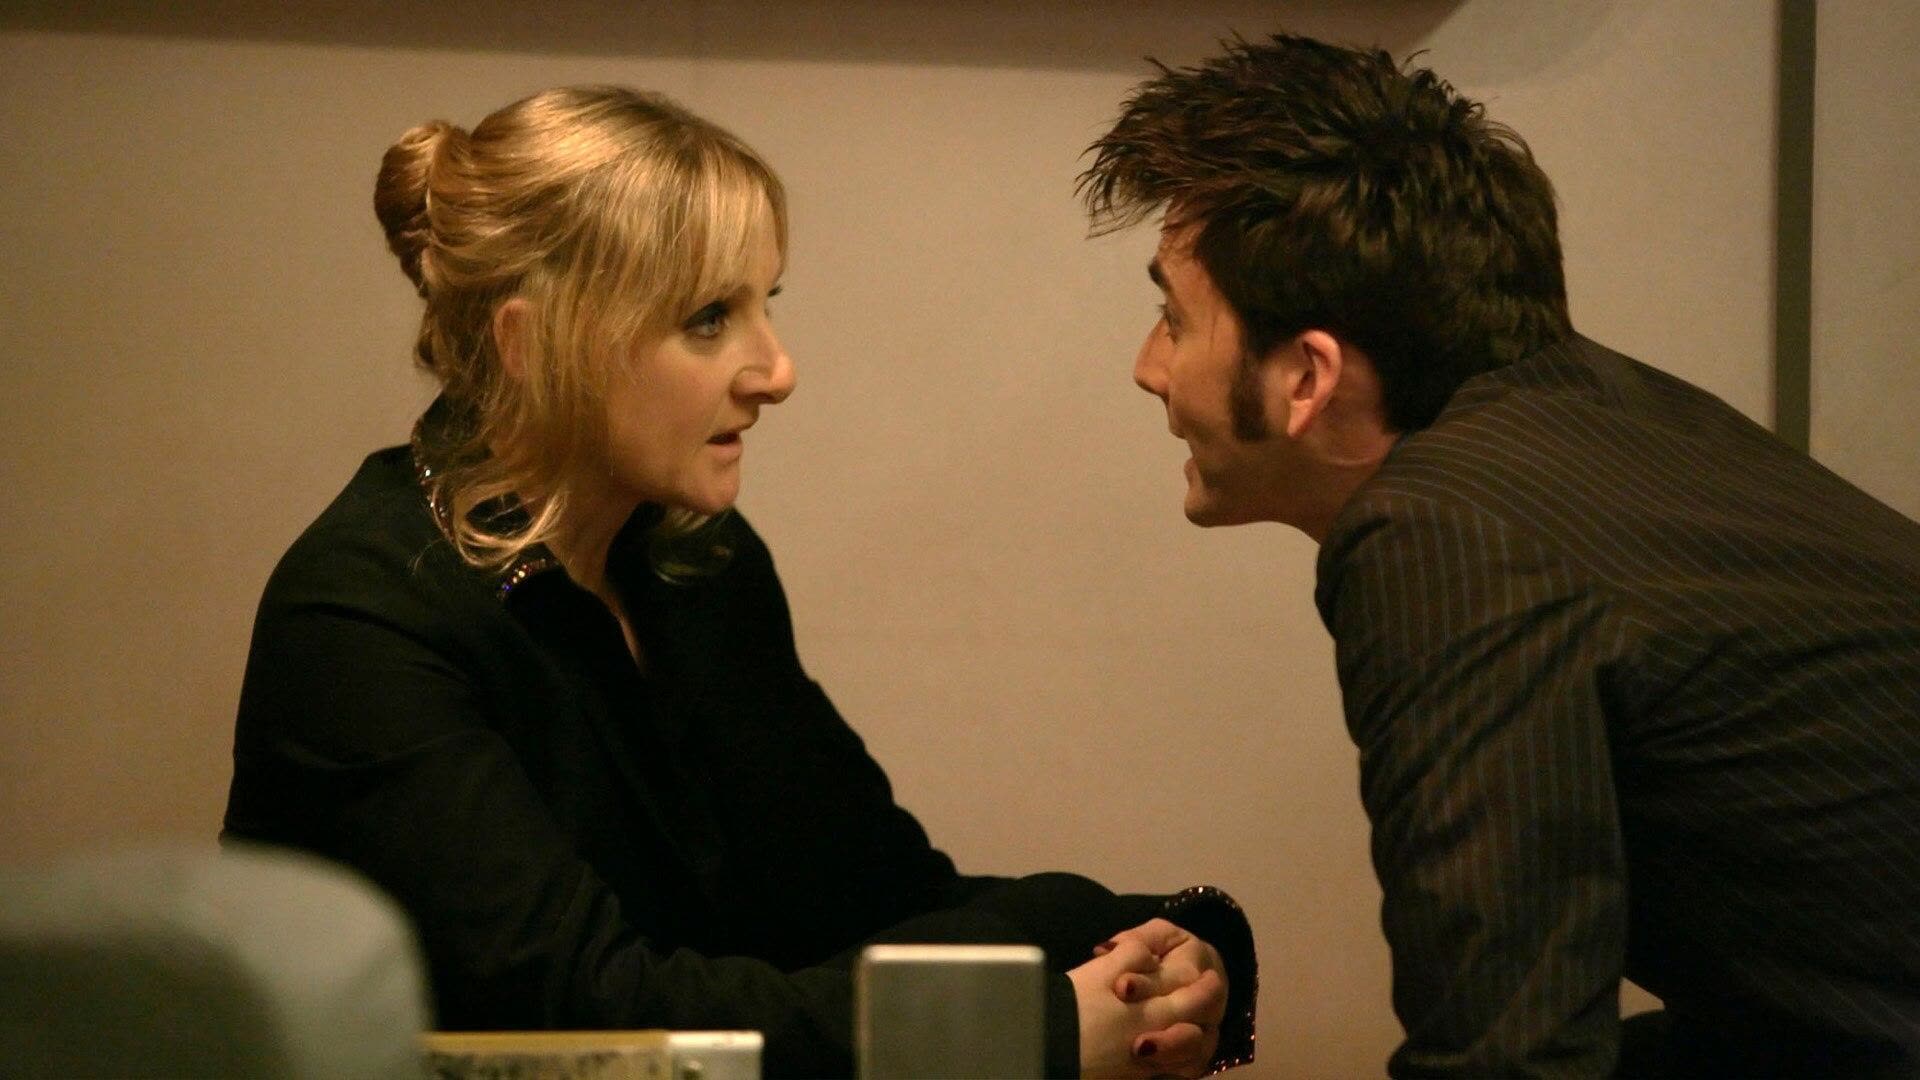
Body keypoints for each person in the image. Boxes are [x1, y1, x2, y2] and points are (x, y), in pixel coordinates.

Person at [224, 85, 1255, 1079]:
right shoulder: (364, 616)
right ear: (531, 344)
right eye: (710, 318)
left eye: (766, 306)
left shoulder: (695, 558)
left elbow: (875, 898)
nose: (777, 372)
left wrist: (1161, 947)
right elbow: (597, 1020)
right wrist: (1018, 1032)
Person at [1079, 32, 1920, 1079]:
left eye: (1173, 319)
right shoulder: (1596, 405)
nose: (1148, 367)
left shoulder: (1445, 538)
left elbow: (1511, 1051)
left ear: (1307, 377)